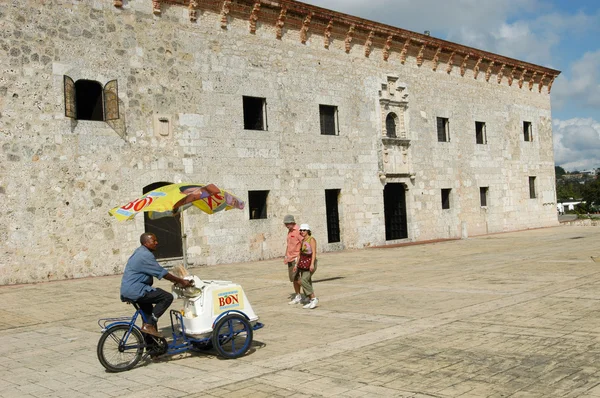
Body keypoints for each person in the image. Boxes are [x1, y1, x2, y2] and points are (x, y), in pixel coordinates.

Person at [120, 233, 193, 337]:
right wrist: (181, 281)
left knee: (148, 316)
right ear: (145, 243)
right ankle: (148, 325)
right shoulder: (145, 255)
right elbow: (162, 273)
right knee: (167, 297)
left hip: (131, 290)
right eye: (153, 241)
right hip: (137, 290)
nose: (156, 243)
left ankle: (153, 348)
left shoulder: (139, 251)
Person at [292, 223, 319, 309]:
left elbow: (314, 252)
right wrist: (296, 264)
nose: (302, 232)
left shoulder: (311, 240)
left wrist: (312, 264)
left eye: (304, 230)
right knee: (307, 281)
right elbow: (300, 253)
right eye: (301, 230)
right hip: (303, 262)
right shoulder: (303, 240)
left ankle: (314, 298)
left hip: (310, 262)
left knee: (303, 280)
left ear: (308, 231)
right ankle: (310, 299)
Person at [283, 214, 303, 304]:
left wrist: (299, 257)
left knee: (297, 278)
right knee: (294, 279)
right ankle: (298, 295)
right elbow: (289, 245)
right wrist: (286, 256)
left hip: (296, 258)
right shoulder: (290, 231)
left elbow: (303, 244)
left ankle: (308, 295)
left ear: (292, 222)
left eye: (287, 224)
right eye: (285, 224)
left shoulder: (298, 231)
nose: (286, 225)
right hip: (290, 258)